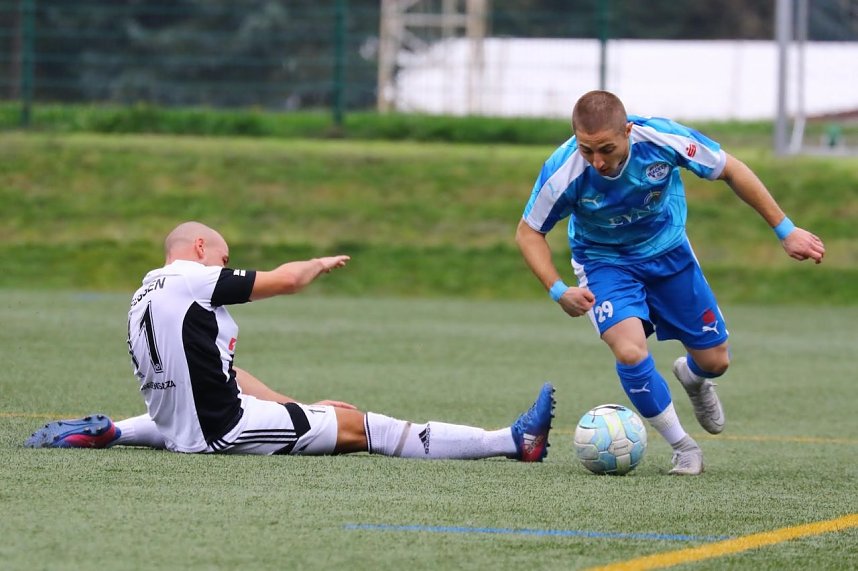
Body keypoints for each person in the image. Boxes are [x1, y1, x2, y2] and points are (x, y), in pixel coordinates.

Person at [26, 221, 554, 462]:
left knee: (175, 424)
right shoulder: (193, 278)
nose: (225, 267)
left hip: (175, 424)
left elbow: (223, 376)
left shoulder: (143, 294)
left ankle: (110, 431)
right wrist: (317, 264)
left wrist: (297, 407)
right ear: (202, 247)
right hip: (222, 430)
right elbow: (285, 279)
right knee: (362, 428)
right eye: (225, 258)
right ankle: (510, 442)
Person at [516, 90, 825, 475]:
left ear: (628, 131)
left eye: (607, 149)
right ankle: (683, 447)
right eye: (586, 150)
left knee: (716, 361)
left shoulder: (661, 139)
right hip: (604, 263)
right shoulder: (564, 170)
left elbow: (731, 169)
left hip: (669, 253)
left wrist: (785, 229)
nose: (597, 162)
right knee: (629, 351)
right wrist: (558, 289)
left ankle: (694, 378)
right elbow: (529, 232)